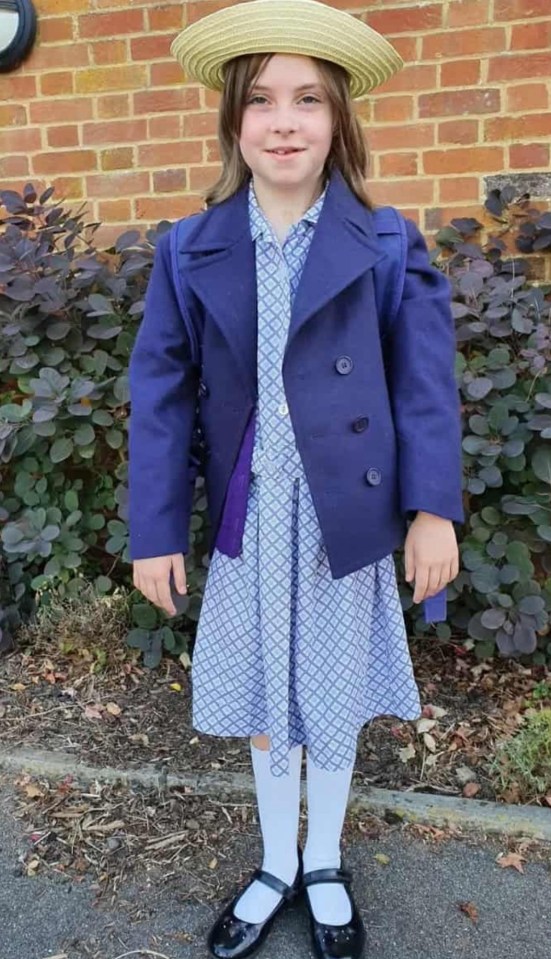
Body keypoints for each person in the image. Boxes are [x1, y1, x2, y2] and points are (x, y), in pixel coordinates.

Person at [128, 1, 464, 956]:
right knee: (269, 708)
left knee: (332, 696)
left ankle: (324, 861)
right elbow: (159, 394)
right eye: (264, 100)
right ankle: (275, 858)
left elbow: (424, 390)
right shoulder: (189, 248)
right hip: (249, 519)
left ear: (338, 121)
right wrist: (155, 528)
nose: (285, 121)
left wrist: (431, 508)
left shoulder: (386, 242)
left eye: (309, 100)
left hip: (343, 520)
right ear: (235, 120)